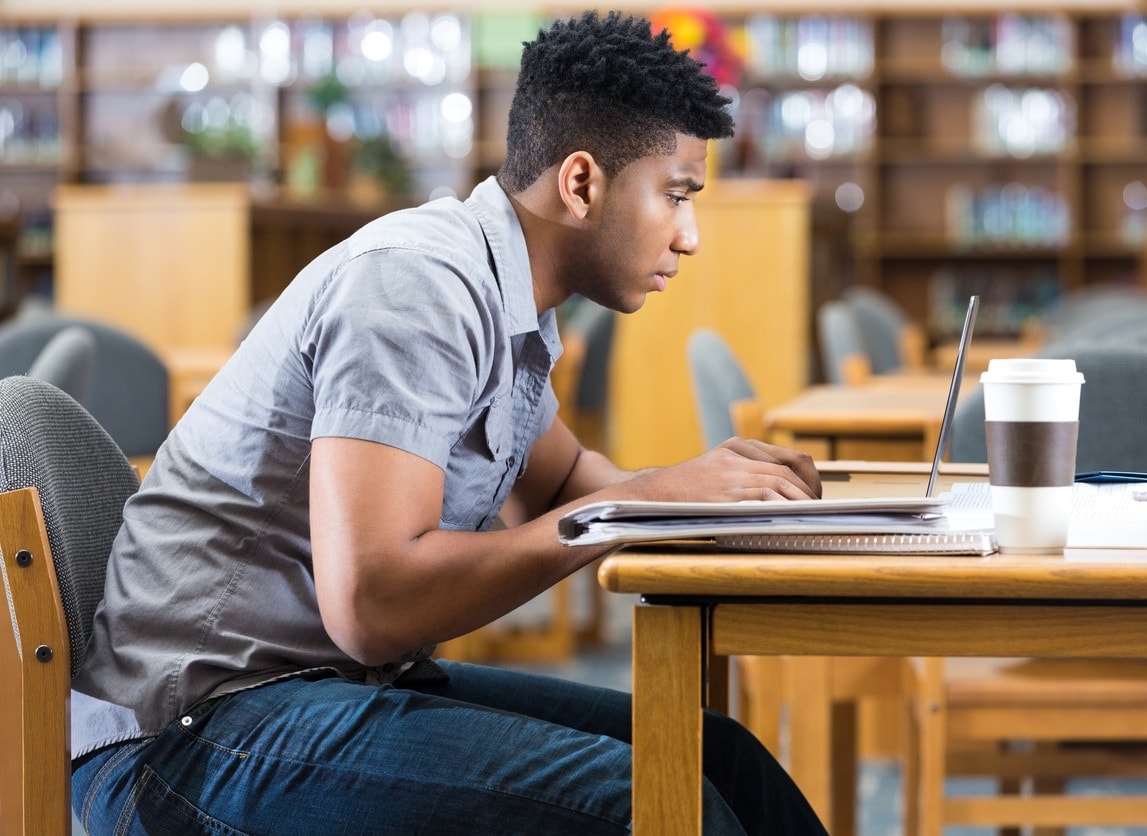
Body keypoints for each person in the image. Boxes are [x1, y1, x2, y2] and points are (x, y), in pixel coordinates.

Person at [70, 11, 825, 834]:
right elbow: (372, 608)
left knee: (717, 759)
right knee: (645, 801)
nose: (691, 236)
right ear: (581, 184)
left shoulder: (507, 298)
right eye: (677, 195)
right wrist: (630, 510)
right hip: (195, 734)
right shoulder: (417, 286)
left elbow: (564, 484)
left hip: (315, 690)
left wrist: (719, 500)